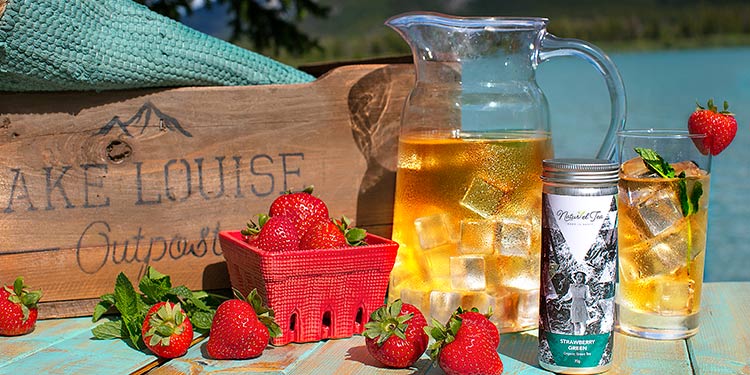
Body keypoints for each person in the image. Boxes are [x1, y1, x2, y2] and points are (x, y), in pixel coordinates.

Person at [560, 271, 592, 335]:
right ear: (575, 277)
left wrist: (589, 299)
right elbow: (568, 295)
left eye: (581, 277)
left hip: (582, 306)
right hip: (574, 305)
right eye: (578, 276)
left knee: (583, 324)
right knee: (576, 324)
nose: (579, 278)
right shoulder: (572, 286)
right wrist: (562, 299)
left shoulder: (585, 287)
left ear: (583, 278)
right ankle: (576, 337)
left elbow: (588, 296)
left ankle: (582, 336)